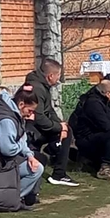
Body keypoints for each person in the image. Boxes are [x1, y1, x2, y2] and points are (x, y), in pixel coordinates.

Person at [0, 87, 44, 212]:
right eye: (30, 110)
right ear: (21, 104)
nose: (30, 114)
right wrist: (21, 142)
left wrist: (30, 156)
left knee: (36, 168)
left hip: (6, 162)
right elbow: (8, 149)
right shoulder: (5, 119)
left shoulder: (16, 115)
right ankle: (9, 199)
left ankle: (16, 198)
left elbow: (20, 142)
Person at [24, 58, 78, 187]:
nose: (59, 79)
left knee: (66, 130)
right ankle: (59, 174)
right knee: (64, 132)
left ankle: (54, 151)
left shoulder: (42, 85)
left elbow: (49, 110)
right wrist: (58, 127)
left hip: (37, 126)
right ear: (51, 76)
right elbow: (38, 117)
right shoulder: (36, 88)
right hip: (31, 129)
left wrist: (61, 125)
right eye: (58, 75)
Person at [71, 80, 110, 180]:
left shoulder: (104, 102)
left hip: (97, 136)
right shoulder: (93, 104)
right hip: (86, 139)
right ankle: (104, 168)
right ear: (107, 93)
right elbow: (107, 126)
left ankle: (97, 161)